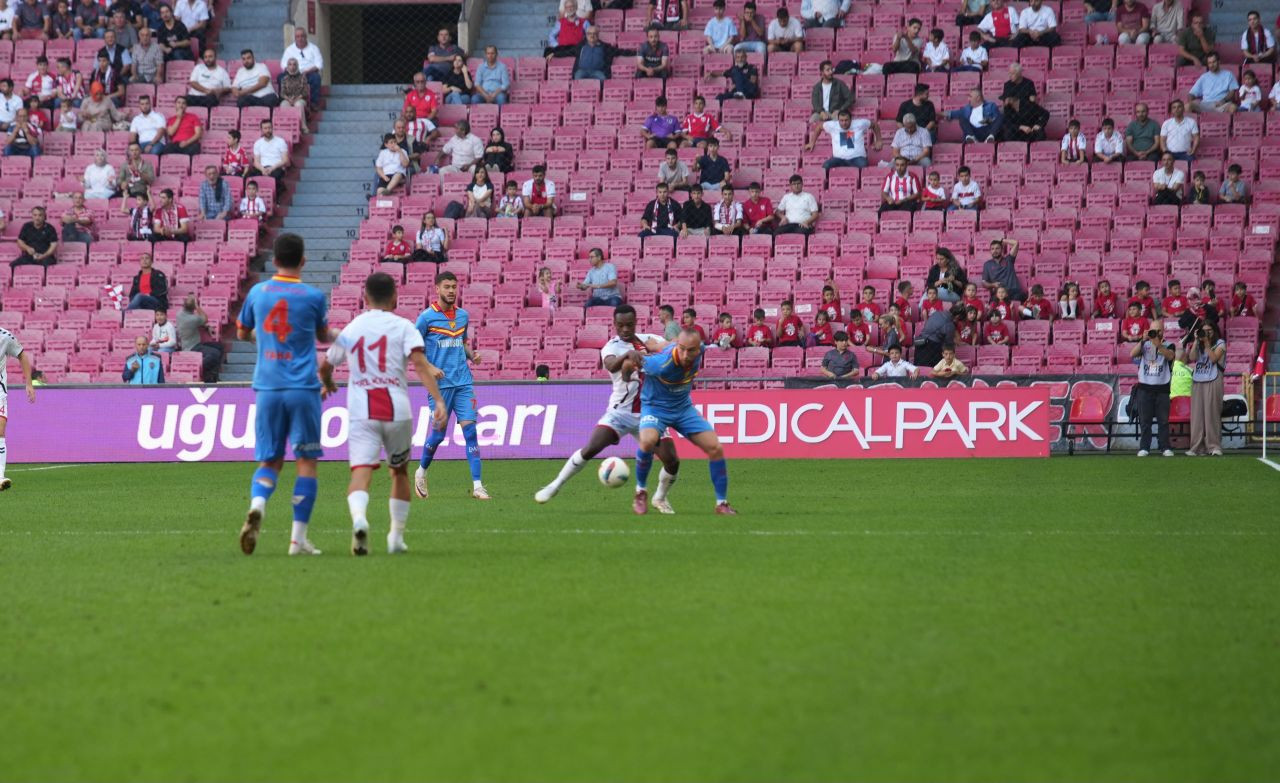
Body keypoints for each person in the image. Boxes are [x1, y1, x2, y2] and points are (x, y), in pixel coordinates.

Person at [318, 273, 447, 555]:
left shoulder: (352, 328)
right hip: (397, 411)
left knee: (361, 472)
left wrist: (328, 385)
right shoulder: (404, 327)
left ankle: (360, 520)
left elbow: (326, 366)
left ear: (364, 298)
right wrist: (438, 400)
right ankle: (395, 538)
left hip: (362, 411)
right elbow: (420, 365)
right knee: (399, 473)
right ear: (395, 298)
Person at [236, 233, 333, 556]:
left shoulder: (258, 292)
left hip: (267, 386)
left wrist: (262, 337)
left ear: (274, 259)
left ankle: (259, 504)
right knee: (305, 462)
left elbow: (241, 332)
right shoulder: (313, 296)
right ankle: (297, 540)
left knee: (270, 460)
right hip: (303, 387)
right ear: (303, 261)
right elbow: (321, 335)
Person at [625, 330, 736, 514]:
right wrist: (627, 374)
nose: (685, 355)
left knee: (715, 448)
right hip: (655, 408)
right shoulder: (659, 364)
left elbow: (670, 343)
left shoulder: (699, 350)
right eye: (681, 349)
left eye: (690, 350)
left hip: (683, 409)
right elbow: (630, 363)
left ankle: (721, 504)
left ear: (698, 350)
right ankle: (641, 492)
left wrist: (657, 345)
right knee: (647, 441)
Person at [414, 271, 490, 500]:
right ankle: (421, 472)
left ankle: (478, 486)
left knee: (471, 432)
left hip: (463, 382)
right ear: (437, 289)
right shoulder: (426, 318)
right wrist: (429, 368)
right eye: (446, 286)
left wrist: (471, 355)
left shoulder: (463, 316)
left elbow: (462, 342)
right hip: (440, 387)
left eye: (454, 287)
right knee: (437, 436)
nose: (451, 290)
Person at [1130, 325, 1175, 457]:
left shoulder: (1169, 344)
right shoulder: (1144, 344)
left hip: (1162, 388)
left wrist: (1158, 344)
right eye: (1153, 330)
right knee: (1145, 421)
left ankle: (1165, 446)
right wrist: (1143, 340)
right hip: (1144, 387)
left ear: (1163, 331)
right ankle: (1144, 447)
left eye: (1158, 330)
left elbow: (1170, 356)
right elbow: (1132, 354)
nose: (1156, 333)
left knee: (1163, 421)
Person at [1186, 321, 1225, 456]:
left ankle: (1214, 446)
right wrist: (1197, 341)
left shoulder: (1220, 343)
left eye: (1209, 330)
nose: (1207, 333)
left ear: (1214, 331)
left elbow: (1214, 358)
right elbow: (1191, 358)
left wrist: (1207, 344)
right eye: (1204, 330)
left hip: (1213, 380)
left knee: (1211, 414)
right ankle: (1197, 447)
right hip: (1198, 380)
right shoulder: (1199, 344)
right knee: (1197, 415)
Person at [806, 108, 878, 170]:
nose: (844, 123)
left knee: (863, 165)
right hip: (838, 159)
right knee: (826, 166)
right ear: (838, 120)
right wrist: (812, 142)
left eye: (846, 120)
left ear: (851, 119)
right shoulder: (833, 125)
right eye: (841, 120)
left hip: (857, 158)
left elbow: (874, 125)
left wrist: (879, 140)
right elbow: (819, 127)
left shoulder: (860, 124)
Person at [177, 294, 222, 382]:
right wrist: (198, 307)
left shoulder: (179, 314)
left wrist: (207, 327)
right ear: (194, 307)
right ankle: (199, 369)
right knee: (215, 353)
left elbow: (200, 323)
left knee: (219, 347)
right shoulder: (193, 319)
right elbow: (205, 318)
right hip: (192, 347)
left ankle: (213, 375)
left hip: (195, 343)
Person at [281, 27, 324, 105]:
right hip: (292, 74)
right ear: (295, 38)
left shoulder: (314, 48)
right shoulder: (289, 49)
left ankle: (314, 104)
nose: (300, 39)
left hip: (308, 73)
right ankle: (285, 100)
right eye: (297, 36)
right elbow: (283, 65)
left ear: (306, 37)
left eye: (302, 36)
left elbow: (319, 64)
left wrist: (307, 71)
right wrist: (293, 72)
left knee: (316, 77)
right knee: (280, 77)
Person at [981, 237, 1024, 302]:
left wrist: (1003, 240)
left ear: (1002, 249)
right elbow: (984, 283)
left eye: (997, 248)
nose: (995, 251)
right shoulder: (987, 264)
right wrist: (993, 285)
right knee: (993, 304)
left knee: (1019, 298)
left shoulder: (1009, 260)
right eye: (992, 249)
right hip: (999, 293)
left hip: (1013, 291)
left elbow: (1016, 243)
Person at [276, 59, 309, 132]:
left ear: (297, 66)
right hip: (288, 99)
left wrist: (296, 99)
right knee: (284, 105)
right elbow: (282, 93)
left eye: (294, 64)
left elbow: (305, 92)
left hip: (300, 98)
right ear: (287, 66)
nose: (292, 66)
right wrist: (289, 99)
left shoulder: (302, 77)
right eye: (290, 64)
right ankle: (287, 126)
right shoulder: (284, 78)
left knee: (298, 104)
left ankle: (303, 126)